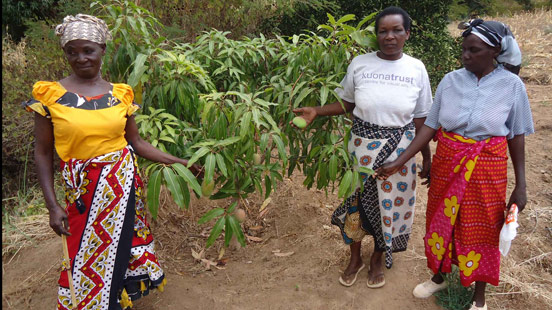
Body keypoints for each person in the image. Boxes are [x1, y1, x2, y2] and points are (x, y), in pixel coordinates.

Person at [23, 14, 201, 310]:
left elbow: (137, 143)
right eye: (72, 52)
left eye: (88, 50)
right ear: (66, 53)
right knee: (83, 254)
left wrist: (179, 161)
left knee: (119, 249)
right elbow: (42, 153)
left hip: (122, 187)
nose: (80, 58)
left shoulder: (120, 95)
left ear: (102, 50)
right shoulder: (50, 96)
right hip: (81, 192)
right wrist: (52, 207)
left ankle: (114, 302)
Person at [376, 19, 533, 310]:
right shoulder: (450, 80)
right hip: (448, 161)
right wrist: (400, 161)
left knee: (484, 226)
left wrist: (521, 185)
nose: (465, 56)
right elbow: (430, 126)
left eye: (473, 50)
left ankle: (479, 296)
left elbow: (517, 135)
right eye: (463, 49)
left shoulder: (512, 86)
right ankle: (439, 276)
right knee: (440, 220)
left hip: (487, 165)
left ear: (494, 50)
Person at [293, 6, 432, 288]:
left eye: (396, 30)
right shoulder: (360, 64)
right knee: (355, 205)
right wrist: (317, 111)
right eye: (383, 31)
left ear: (407, 33)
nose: (389, 36)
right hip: (362, 149)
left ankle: (377, 258)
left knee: (390, 207)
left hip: (401, 152)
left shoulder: (416, 68)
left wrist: (424, 158)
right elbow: (348, 104)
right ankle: (355, 258)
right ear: (376, 34)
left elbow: (421, 120)